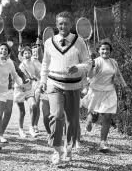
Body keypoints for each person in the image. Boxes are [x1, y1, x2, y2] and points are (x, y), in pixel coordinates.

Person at [39, 11, 92, 165]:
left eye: (66, 23)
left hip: (74, 86)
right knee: (56, 115)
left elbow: (88, 62)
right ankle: (56, 150)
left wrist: (79, 68)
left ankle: (68, 148)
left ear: (71, 25)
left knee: (72, 120)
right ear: (57, 25)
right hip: (54, 84)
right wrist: (43, 81)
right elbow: (45, 63)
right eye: (60, 23)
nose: (63, 26)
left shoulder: (79, 41)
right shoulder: (49, 42)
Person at [82, 39, 130, 153]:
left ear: (110, 51)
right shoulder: (96, 61)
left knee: (107, 116)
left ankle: (102, 143)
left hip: (109, 91)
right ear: (99, 50)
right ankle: (89, 119)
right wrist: (92, 67)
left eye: (107, 49)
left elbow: (118, 74)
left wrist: (125, 86)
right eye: (103, 49)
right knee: (94, 118)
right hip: (96, 91)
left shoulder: (113, 62)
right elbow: (90, 75)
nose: (105, 51)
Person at [14, 45, 40, 138]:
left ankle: (31, 128)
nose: (27, 55)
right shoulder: (21, 65)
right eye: (25, 53)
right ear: (22, 55)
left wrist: (40, 78)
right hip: (20, 89)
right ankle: (20, 130)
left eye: (29, 53)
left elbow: (38, 74)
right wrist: (28, 79)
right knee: (22, 112)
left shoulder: (33, 64)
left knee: (34, 105)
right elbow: (20, 77)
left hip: (29, 89)